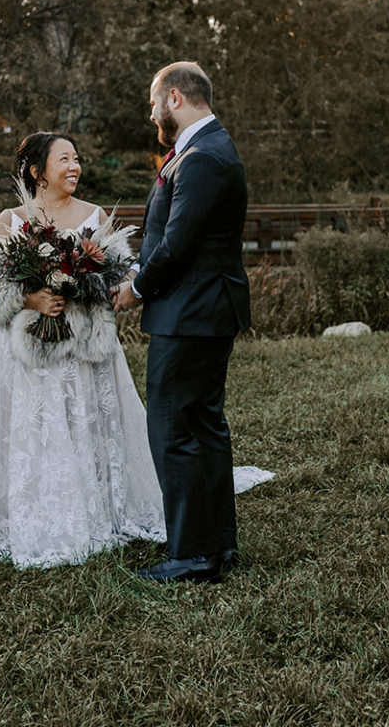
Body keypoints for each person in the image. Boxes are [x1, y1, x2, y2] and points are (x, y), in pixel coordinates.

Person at [0, 132, 166, 568]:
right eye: (65, 160)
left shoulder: (95, 216)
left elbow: (119, 278)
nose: (75, 167)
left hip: (84, 349)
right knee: (25, 429)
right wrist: (30, 299)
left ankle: (96, 503)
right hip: (24, 354)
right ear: (38, 172)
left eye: (77, 159)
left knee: (85, 422)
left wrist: (91, 287)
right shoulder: (10, 221)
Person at [111, 61, 250, 584]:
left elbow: (177, 243)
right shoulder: (205, 148)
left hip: (192, 311)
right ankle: (217, 544)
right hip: (202, 308)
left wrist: (136, 288)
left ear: (174, 97)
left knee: (173, 429)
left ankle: (192, 553)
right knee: (203, 425)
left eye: (154, 103)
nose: (152, 114)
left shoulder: (203, 156)